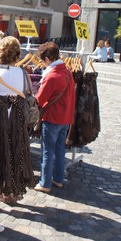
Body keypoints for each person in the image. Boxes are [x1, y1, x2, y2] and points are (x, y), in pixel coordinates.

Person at [0, 36, 29, 204]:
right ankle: (9, 193)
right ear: (17, 54)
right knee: (12, 156)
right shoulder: (22, 73)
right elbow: (25, 93)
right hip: (14, 122)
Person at [34, 42, 75, 193]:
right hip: (65, 118)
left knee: (47, 151)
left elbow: (39, 99)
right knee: (59, 151)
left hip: (52, 117)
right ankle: (58, 179)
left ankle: (45, 183)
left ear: (49, 58)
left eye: (43, 59)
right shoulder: (68, 72)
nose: (43, 63)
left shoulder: (52, 76)